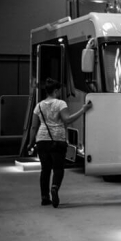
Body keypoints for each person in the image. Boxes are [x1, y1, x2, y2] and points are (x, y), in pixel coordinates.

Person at [28, 78, 92, 208]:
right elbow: (67, 119)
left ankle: (45, 197)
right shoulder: (60, 103)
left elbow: (33, 127)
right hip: (58, 140)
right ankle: (55, 187)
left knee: (45, 170)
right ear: (56, 91)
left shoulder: (38, 106)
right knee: (58, 168)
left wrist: (30, 143)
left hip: (42, 140)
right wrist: (83, 110)